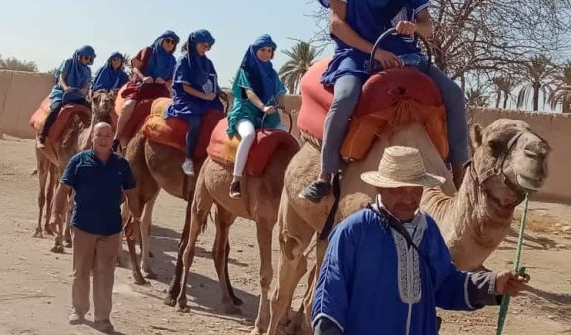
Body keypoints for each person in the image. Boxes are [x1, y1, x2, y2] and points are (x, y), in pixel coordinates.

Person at [312, 146, 529, 335]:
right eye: (398, 189)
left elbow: (446, 284)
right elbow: (328, 305)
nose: (408, 198)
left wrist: (493, 284)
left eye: (414, 188)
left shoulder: (428, 232)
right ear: (381, 188)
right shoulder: (352, 233)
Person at [299, 0, 469, 203]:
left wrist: (414, 27)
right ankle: (326, 175)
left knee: (454, 94)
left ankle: (460, 173)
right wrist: (376, 52)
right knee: (345, 98)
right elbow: (337, 24)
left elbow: (428, 27)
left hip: (408, 57)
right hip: (357, 56)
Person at [52, 122, 141, 333]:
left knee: (105, 274)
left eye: (107, 135)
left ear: (112, 138)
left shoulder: (121, 164)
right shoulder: (78, 161)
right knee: (80, 272)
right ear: (92, 137)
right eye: (99, 134)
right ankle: (79, 310)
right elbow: (63, 188)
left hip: (111, 229)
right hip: (83, 226)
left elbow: (131, 193)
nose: (103, 139)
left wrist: (136, 219)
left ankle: (102, 317)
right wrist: (55, 214)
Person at [226, 34, 287, 198]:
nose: (266, 53)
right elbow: (249, 92)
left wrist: (282, 105)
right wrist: (263, 106)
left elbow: (280, 91)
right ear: (254, 51)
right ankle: (236, 180)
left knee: (287, 135)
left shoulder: (272, 72)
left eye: (270, 50)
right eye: (263, 50)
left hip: (267, 114)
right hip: (246, 111)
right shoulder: (246, 70)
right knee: (248, 135)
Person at [165, 29, 224, 176]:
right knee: (195, 121)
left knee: (220, 116)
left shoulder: (208, 63)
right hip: (186, 99)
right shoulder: (184, 61)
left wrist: (219, 91)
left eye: (209, 46)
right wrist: (204, 97)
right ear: (194, 44)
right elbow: (185, 87)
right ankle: (188, 159)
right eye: (204, 45)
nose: (207, 48)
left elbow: (212, 82)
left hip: (205, 99)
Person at [112, 31, 180, 150]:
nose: (170, 44)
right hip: (141, 85)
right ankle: (116, 139)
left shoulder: (172, 60)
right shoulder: (148, 51)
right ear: (161, 40)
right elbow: (135, 68)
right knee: (128, 106)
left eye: (173, 42)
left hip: (159, 89)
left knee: (172, 109)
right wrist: (143, 77)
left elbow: (171, 80)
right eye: (168, 40)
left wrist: (164, 81)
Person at [38, 45, 95, 147]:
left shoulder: (87, 70)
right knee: (56, 109)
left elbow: (87, 85)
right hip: (62, 93)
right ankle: (42, 135)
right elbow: (61, 77)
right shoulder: (68, 62)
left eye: (90, 58)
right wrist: (65, 87)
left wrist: (84, 90)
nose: (88, 60)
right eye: (86, 57)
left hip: (77, 95)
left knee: (92, 109)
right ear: (79, 56)